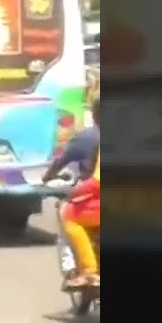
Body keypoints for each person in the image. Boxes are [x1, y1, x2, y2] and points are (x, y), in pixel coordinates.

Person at [42, 101, 101, 288]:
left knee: (67, 216)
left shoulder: (87, 137)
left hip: (93, 195)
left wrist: (49, 178)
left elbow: (63, 160)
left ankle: (77, 270)